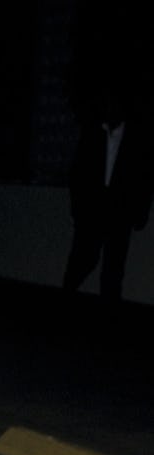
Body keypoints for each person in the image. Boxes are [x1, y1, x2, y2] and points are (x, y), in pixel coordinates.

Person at [62, 84, 154, 302]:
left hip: (120, 212)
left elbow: (144, 178)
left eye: (114, 104)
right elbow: (78, 173)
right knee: (82, 260)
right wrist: (78, 208)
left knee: (113, 271)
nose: (110, 109)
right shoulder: (93, 134)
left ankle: (109, 323)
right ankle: (63, 303)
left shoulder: (135, 140)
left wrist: (139, 212)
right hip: (93, 210)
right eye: (106, 104)